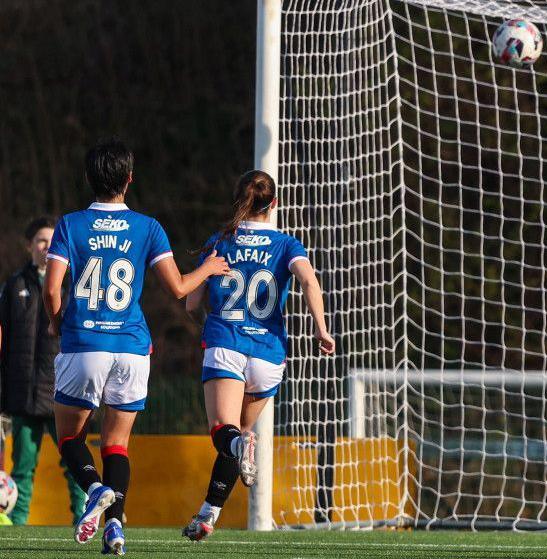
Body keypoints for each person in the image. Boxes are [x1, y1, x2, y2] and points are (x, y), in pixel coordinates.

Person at [43, 140, 230, 555]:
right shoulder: (148, 227)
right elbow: (178, 287)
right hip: (131, 348)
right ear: (129, 179)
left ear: (88, 178)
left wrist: (57, 324)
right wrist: (208, 268)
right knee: (116, 444)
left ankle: (94, 488)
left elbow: (52, 288)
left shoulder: (70, 225)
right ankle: (115, 529)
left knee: (70, 437)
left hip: (84, 344)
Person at [181, 170, 335, 541]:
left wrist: (205, 316)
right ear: (274, 204)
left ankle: (237, 452)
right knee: (238, 435)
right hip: (268, 354)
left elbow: (191, 303)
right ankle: (207, 515)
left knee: (226, 435)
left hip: (227, 344)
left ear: (238, 200)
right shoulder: (287, 244)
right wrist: (321, 328)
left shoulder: (221, 240)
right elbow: (308, 281)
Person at [0, 217, 86, 526]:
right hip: (23, 394)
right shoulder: (14, 285)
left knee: (74, 464)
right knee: (23, 467)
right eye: (40, 240)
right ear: (29, 246)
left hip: (63, 391)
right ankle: (18, 523)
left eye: (52, 241)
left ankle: (83, 519)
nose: (47, 246)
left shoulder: (73, 285)